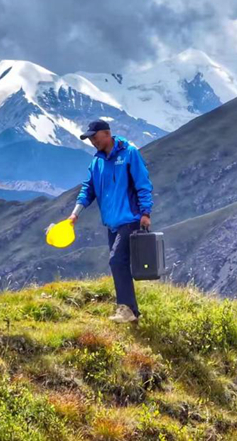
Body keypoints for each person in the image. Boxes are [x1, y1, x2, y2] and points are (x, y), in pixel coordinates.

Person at [69, 119, 153, 323]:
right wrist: (75, 213)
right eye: (89, 138)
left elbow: (143, 183)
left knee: (116, 260)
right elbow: (87, 189)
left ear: (107, 134)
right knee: (120, 264)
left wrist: (145, 213)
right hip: (112, 224)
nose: (92, 142)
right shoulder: (96, 162)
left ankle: (126, 309)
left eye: (94, 137)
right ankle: (130, 311)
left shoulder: (129, 153)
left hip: (130, 219)